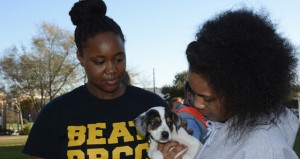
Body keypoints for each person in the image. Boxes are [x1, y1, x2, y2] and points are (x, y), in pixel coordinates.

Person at [22, 0, 169, 158]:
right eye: (100, 62)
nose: (111, 69)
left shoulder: (153, 106)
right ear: (80, 57)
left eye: (119, 59)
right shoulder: (55, 113)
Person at [182, 8, 299, 159]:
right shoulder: (226, 126)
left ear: (242, 93)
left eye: (208, 98)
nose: (197, 104)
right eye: (192, 92)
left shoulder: (263, 151)